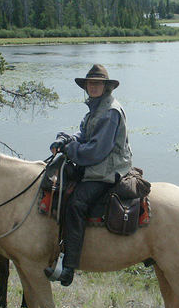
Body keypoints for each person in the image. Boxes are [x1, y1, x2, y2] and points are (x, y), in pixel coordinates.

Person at [45, 64, 133, 286]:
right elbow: (83, 133)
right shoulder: (96, 108)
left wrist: (70, 149)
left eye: (97, 83)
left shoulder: (110, 112)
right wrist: (66, 139)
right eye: (90, 83)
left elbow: (96, 151)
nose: (93, 87)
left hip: (107, 170)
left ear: (106, 86)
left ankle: (69, 267)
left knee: (76, 204)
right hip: (96, 166)